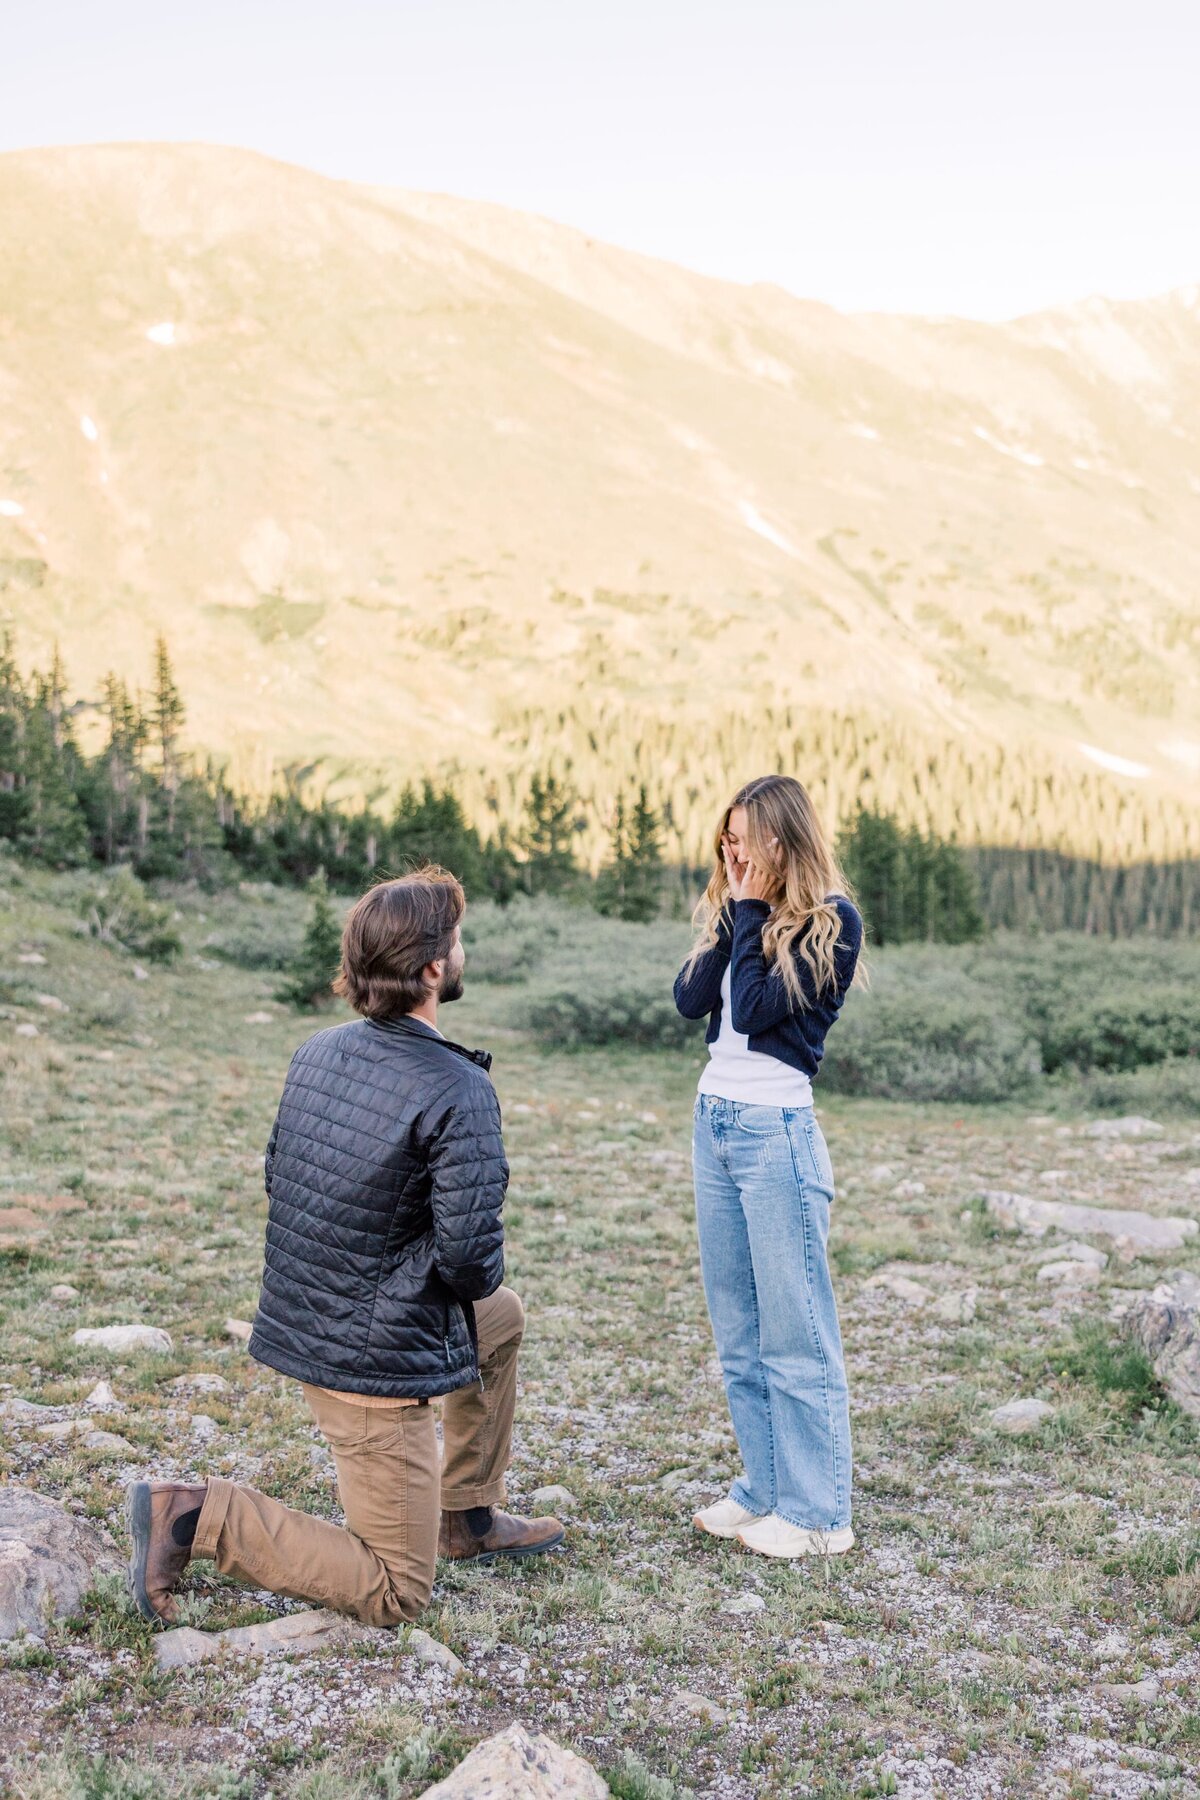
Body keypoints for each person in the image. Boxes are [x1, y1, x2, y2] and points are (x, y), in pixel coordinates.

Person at [127, 867, 564, 1628]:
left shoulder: (317, 1050)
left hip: (312, 1320)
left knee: (500, 1319)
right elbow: (468, 1261)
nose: (463, 951)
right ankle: (194, 1515)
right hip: (370, 1366)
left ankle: (465, 1515)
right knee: (398, 1591)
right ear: (433, 968)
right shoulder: (458, 1089)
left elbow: (277, 1176)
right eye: (456, 941)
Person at [674, 775, 863, 1559]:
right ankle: (766, 1489)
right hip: (715, 1123)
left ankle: (820, 1516)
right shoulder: (736, 913)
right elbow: (691, 1000)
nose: (731, 848)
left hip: (775, 1131)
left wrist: (750, 913)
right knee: (739, 1330)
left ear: (782, 840)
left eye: (744, 837)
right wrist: (729, 918)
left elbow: (752, 1014)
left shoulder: (832, 924)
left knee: (795, 1329)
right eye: (726, 836)